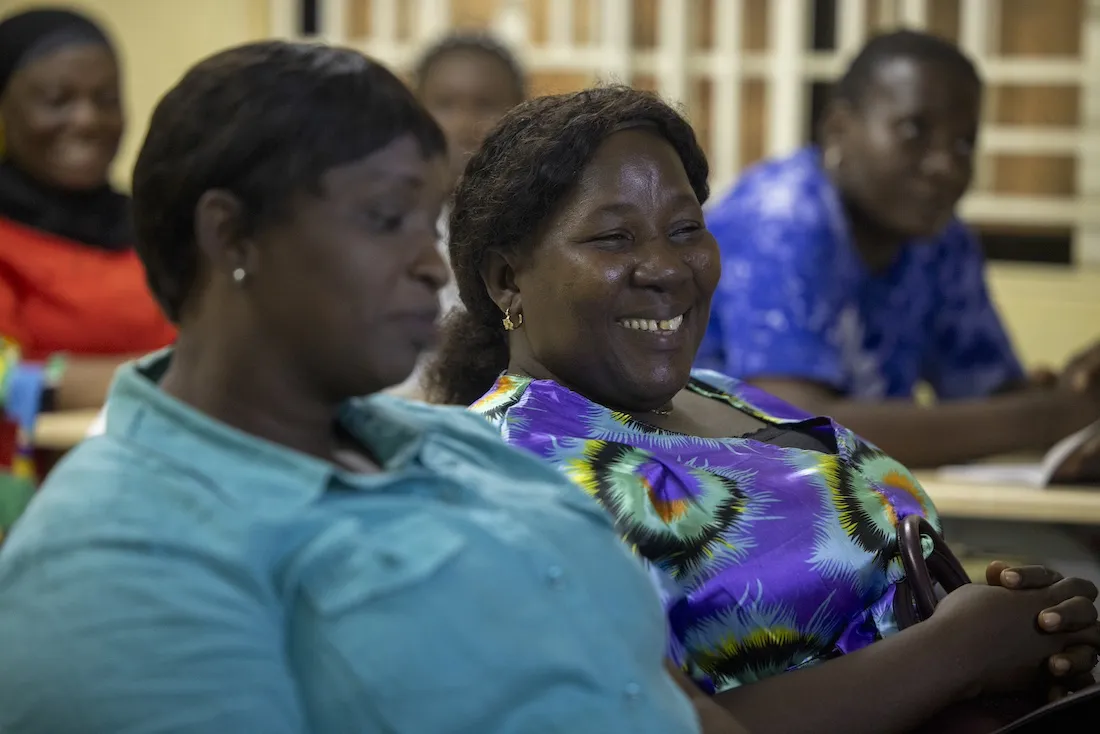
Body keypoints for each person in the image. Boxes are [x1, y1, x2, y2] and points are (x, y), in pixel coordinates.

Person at [0, 42, 752, 734]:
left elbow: (654, 696)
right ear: (230, 236)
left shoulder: (463, 448)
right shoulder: (120, 548)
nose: (429, 266)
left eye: (426, 223)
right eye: (385, 218)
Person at [426, 85, 1100, 734]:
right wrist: (958, 654)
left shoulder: (721, 392)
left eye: (686, 228)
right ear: (506, 278)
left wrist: (1024, 626)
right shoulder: (498, 474)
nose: (666, 267)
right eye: (613, 238)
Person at [694, 29, 1100, 471]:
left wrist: (1075, 391)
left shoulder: (939, 239)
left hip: (851, 505)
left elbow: (988, 403)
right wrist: (1046, 418)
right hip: (706, 498)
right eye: (914, 131)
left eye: (964, 144)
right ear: (838, 129)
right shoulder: (782, 217)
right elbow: (796, 428)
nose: (945, 165)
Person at [0, 8, 175, 536]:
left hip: (159, 501)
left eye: (106, 100)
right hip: (32, 521)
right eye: (58, 100)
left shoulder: (155, 224)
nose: (88, 119)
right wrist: (180, 373)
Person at [390, 33, 526, 400]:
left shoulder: (540, 231)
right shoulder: (380, 232)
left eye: (486, 105)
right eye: (445, 105)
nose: (465, 125)